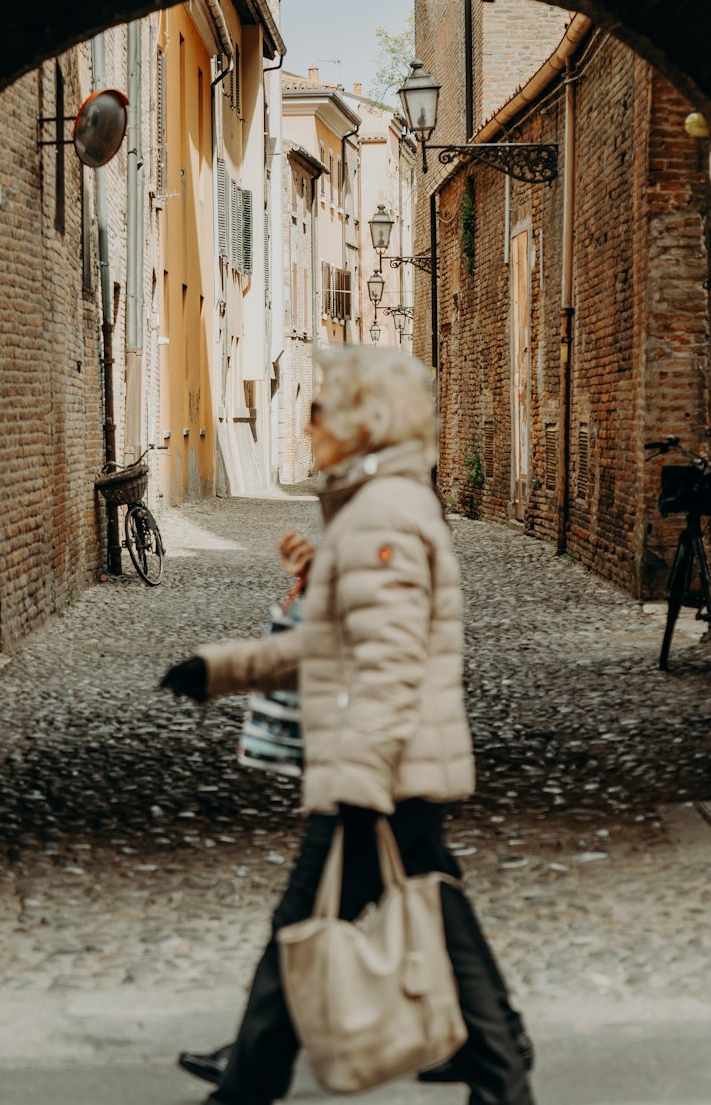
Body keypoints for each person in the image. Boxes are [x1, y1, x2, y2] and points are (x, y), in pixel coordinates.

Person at [161, 346, 535, 1105]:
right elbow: (336, 642)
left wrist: (358, 777)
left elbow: (391, 663)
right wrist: (224, 669)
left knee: (301, 926)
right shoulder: (378, 508)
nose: (308, 418)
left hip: (380, 769)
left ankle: (245, 1090)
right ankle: (502, 1074)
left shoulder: (381, 518)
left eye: (320, 405)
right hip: (398, 767)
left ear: (365, 421)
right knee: (430, 906)